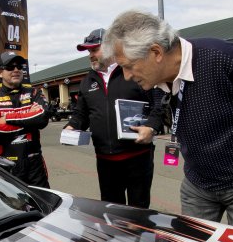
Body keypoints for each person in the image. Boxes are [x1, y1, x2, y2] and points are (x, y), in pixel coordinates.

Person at [102, 10, 233, 231]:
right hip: (198, 183)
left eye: (128, 66)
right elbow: (159, 113)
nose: (126, 76)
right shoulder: (153, 80)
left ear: (156, 52)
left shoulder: (224, 59)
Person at [63, 28, 165, 209]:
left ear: (111, 47)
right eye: (88, 51)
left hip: (137, 157)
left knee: (138, 211)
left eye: (95, 50)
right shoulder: (88, 81)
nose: (91, 55)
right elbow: (81, 114)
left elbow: (158, 104)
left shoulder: (133, 71)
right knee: (111, 211)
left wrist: (151, 126)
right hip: (105, 161)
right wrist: (72, 126)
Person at [0, 51, 51, 187]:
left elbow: (42, 119)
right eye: (10, 67)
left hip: (34, 162)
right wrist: (29, 119)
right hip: (6, 163)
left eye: (19, 66)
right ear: (0, 73)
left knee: (43, 199)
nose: (16, 70)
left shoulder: (34, 92)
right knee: (11, 200)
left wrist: (6, 118)